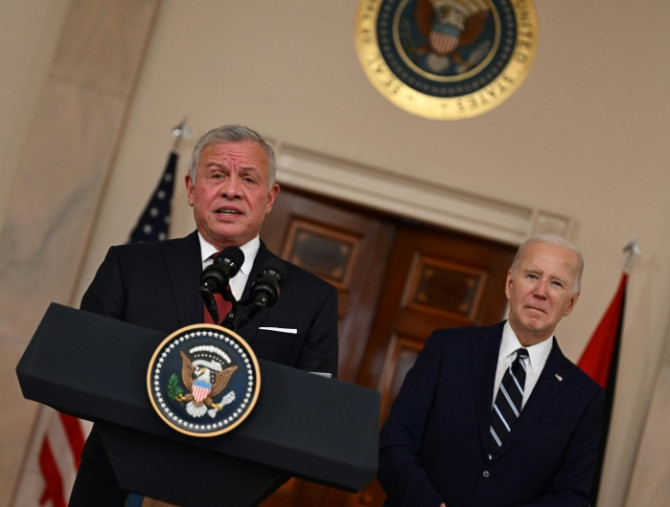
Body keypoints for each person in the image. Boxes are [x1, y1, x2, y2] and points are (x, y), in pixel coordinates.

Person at [69, 124, 339, 505]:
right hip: (119, 486)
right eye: (217, 175)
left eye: (248, 178)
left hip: (228, 493)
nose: (231, 189)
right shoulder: (130, 266)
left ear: (270, 197)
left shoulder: (312, 299)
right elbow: (84, 367)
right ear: (192, 189)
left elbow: (313, 414)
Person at [377, 234, 604, 506]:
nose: (541, 291)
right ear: (510, 284)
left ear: (571, 303)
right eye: (532, 276)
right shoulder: (447, 351)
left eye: (556, 283)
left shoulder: (584, 399)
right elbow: (394, 446)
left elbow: (571, 497)